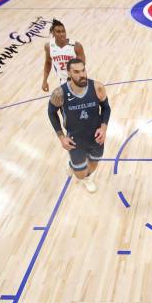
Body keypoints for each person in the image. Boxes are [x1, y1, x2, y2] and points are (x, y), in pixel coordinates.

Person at [47, 58, 110, 193]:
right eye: (76, 72)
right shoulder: (60, 93)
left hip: (96, 137)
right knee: (79, 174)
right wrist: (61, 137)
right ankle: (82, 175)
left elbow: (106, 108)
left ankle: (84, 174)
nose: (82, 75)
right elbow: (51, 113)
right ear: (69, 73)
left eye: (83, 70)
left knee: (93, 164)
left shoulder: (97, 87)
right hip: (75, 140)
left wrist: (103, 128)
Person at [42, 19, 86, 92]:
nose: (62, 34)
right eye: (58, 32)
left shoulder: (76, 46)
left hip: (77, 81)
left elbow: (82, 66)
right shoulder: (49, 47)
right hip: (63, 82)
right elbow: (48, 63)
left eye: (63, 31)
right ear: (53, 33)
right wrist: (44, 80)